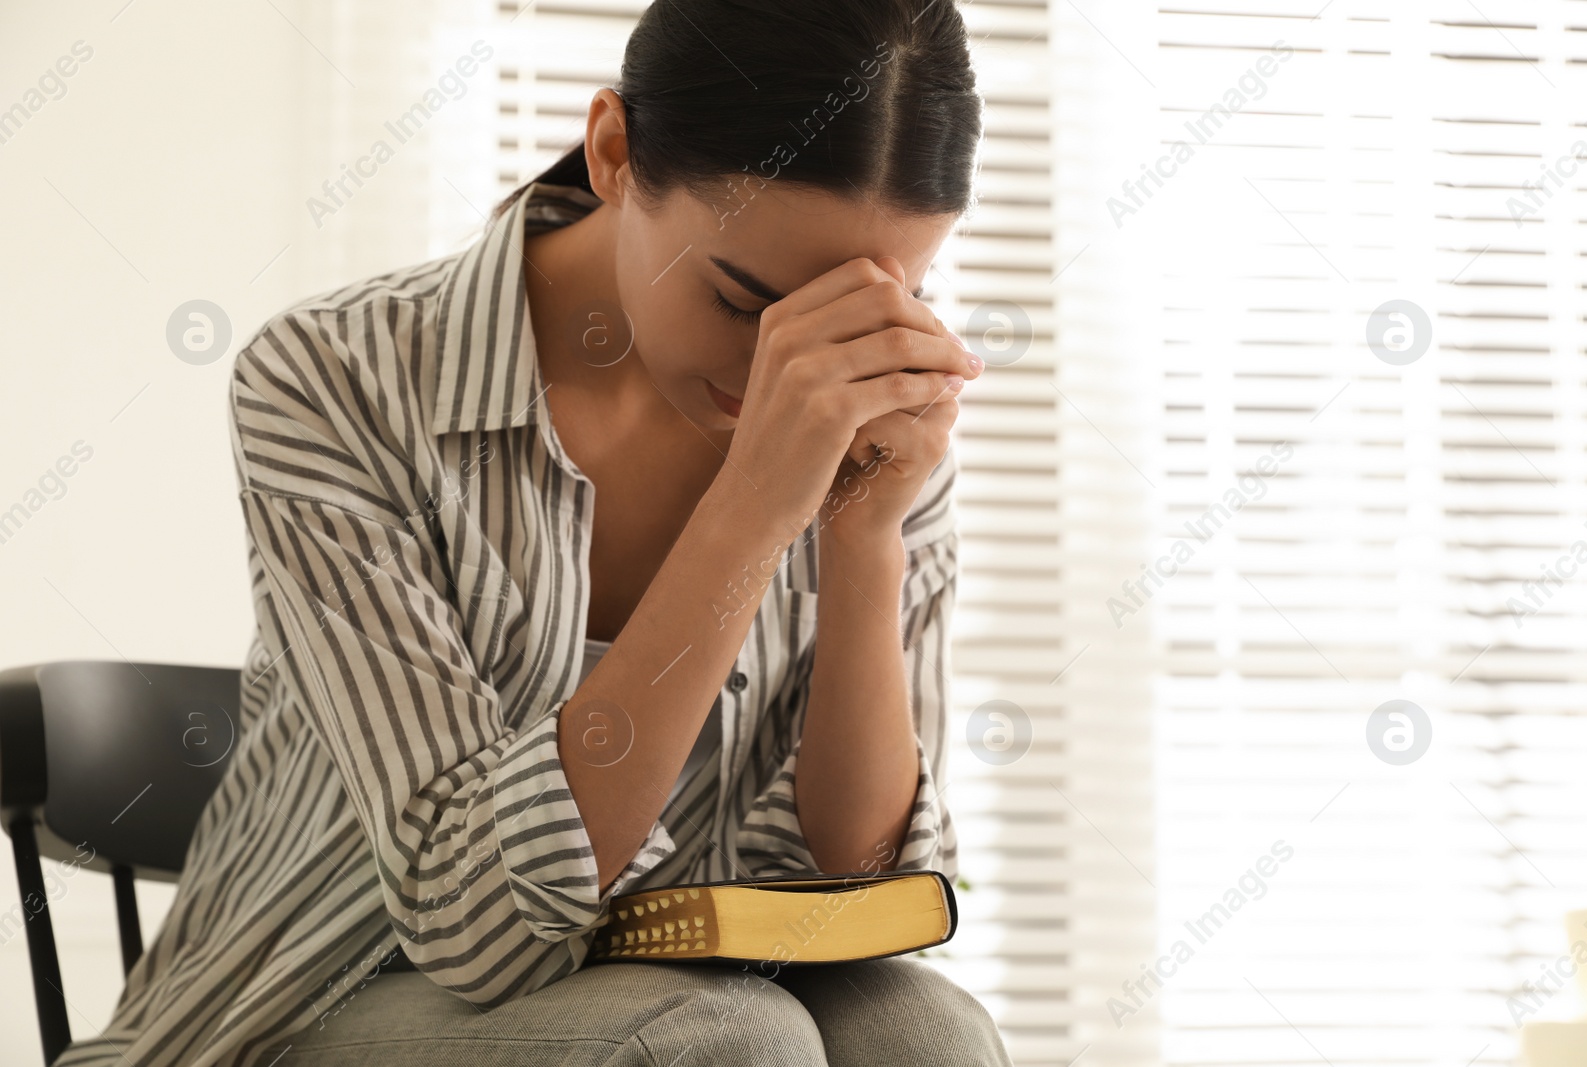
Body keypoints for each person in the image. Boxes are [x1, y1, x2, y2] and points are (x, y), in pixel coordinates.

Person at [53, 1, 1010, 1063]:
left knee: (923, 1028)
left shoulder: (872, 418)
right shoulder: (334, 378)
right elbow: (474, 926)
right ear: (611, 150)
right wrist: (750, 510)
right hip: (302, 1009)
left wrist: (866, 536)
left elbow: (864, 892)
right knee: (721, 1037)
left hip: (668, 999)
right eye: (744, 300)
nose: (788, 373)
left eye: (875, 303)